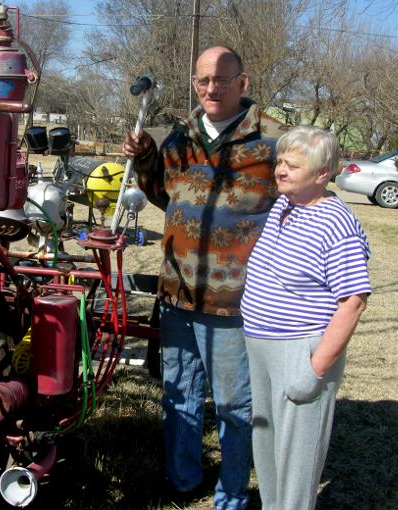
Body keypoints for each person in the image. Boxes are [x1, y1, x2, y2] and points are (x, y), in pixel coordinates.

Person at [122, 46, 286, 510]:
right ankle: (182, 480)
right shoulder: (180, 139)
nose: (211, 89)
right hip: (177, 293)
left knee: (235, 407)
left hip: (235, 301)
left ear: (243, 82)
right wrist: (148, 155)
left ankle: (232, 492)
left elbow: (303, 203)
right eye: (202, 81)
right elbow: (163, 195)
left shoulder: (274, 141)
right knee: (179, 396)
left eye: (221, 79)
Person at [240, 126, 372, 510]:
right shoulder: (286, 205)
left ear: (322, 174)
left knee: (296, 461)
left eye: (292, 165)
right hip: (261, 346)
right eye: (280, 161)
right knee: (266, 448)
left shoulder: (337, 224)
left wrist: (315, 369)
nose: (280, 170)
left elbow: (353, 303)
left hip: (300, 350)